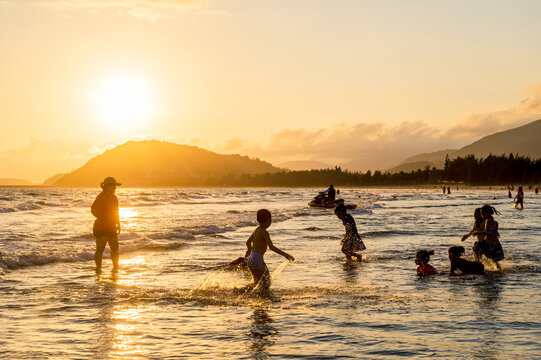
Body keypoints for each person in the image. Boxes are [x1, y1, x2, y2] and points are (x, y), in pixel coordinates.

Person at [244, 209, 294, 292]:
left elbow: (248, 242)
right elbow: (271, 247)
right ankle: (258, 296)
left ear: (257, 220)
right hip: (258, 258)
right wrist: (286, 255)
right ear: (269, 220)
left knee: (257, 283)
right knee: (267, 283)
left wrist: (249, 252)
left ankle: (241, 291)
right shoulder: (264, 232)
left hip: (251, 259)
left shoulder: (256, 230)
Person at [91, 177, 121, 273]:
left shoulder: (114, 198)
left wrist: (118, 224)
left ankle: (116, 268)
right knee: (100, 250)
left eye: (115, 186)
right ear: (107, 186)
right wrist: (101, 218)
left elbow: (116, 212)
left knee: (115, 249)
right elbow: (93, 210)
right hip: (101, 229)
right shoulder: (100, 197)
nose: (115, 188)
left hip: (112, 228)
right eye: (113, 186)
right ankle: (98, 269)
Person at [472, 205, 505, 269]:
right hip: (493, 242)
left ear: (486, 213)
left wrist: (477, 233)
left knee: (477, 250)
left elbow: (487, 232)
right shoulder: (492, 220)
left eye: (482, 214)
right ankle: (497, 268)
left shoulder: (488, 221)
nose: (482, 215)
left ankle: (477, 264)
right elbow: (494, 227)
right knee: (492, 258)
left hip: (489, 243)